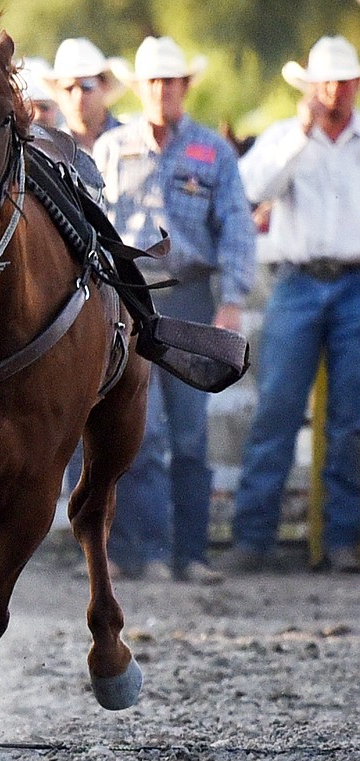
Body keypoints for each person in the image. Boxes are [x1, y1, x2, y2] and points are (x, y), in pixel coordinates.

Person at [91, 37, 256, 583]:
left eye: (172, 81)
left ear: (187, 87)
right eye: (155, 82)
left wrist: (232, 299)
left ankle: (190, 552)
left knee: (188, 431)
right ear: (141, 88)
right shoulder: (112, 150)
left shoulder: (214, 152)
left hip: (188, 296)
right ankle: (145, 551)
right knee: (141, 428)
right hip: (128, 297)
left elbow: (235, 227)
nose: (163, 91)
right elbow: (91, 224)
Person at [222, 36, 360, 575]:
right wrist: (300, 135)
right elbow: (250, 190)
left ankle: (342, 538)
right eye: (328, 81)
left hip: (350, 281)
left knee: (350, 421)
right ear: (311, 87)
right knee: (275, 411)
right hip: (299, 280)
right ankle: (253, 538)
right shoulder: (286, 137)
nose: (336, 91)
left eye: (344, 81)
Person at [42, 38, 125, 153]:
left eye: (86, 87)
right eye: (68, 89)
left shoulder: (133, 142)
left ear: (104, 86)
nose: (78, 96)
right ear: (57, 93)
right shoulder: (50, 151)